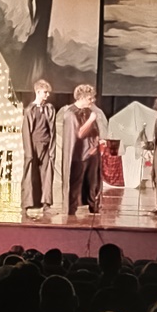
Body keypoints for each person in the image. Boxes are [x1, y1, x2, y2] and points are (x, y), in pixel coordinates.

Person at [62, 84, 106, 216]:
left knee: (93, 183)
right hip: (78, 155)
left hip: (91, 153)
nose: (92, 101)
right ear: (82, 97)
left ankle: (94, 207)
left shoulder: (88, 111)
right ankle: (71, 211)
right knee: (76, 184)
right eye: (90, 98)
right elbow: (79, 133)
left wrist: (97, 142)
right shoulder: (70, 113)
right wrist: (91, 120)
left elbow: (94, 131)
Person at [19, 0, 58, 85]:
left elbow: (30, 2)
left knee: (38, 41)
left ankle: (37, 71)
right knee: (37, 41)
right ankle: (35, 72)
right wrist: (33, 21)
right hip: (42, 17)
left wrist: (33, 20)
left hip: (40, 16)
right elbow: (31, 2)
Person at [21, 78, 56, 216]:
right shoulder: (30, 110)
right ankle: (27, 203)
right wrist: (29, 151)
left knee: (46, 174)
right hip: (34, 145)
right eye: (45, 92)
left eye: (48, 92)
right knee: (30, 173)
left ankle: (46, 203)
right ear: (38, 92)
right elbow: (26, 131)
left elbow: (52, 129)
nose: (47, 95)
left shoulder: (49, 109)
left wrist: (51, 148)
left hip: (46, 145)